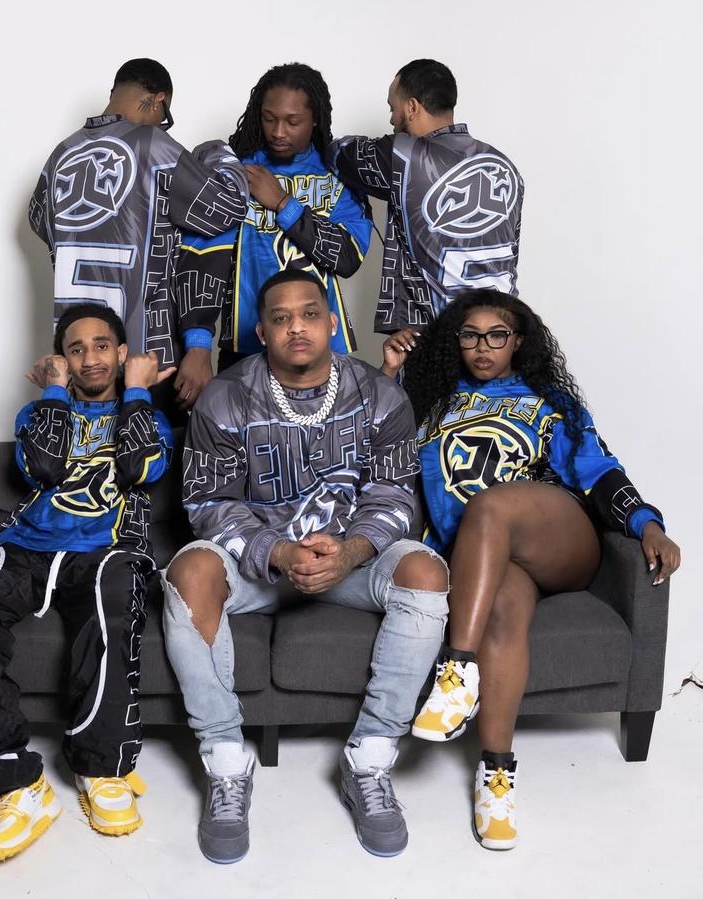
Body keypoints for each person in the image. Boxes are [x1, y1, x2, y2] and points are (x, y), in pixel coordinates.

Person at [161, 268, 448, 864]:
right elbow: (208, 503)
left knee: (425, 572)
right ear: (262, 331)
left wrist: (351, 551)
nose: (297, 328)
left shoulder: (380, 394)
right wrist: (277, 551)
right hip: (259, 566)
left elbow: (395, 495)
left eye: (310, 314)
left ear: (332, 322)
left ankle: (369, 759)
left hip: (350, 561)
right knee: (189, 573)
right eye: (281, 318)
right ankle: (225, 764)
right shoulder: (224, 397)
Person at [382, 290, 681, 850]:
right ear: (455, 342)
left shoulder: (548, 401)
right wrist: (391, 374)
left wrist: (647, 524)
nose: (483, 347)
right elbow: (372, 452)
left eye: (497, 335)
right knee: (501, 615)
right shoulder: (430, 405)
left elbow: (599, 471)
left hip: (559, 541)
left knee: (491, 504)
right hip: (483, 562)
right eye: (470, 335)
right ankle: (496, 774)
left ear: (518, 341)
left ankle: (457, 671)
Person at [0, 303, 175, 866]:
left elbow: (140, 469)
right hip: (27, 547)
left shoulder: (147, 414)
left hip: (106, 549)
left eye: (102, 346)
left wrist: (138, 391)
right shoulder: (39, 410)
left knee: (114, 603)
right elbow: (41, 467)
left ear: (122, 352)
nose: (91, 358)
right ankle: (18, 787)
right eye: (75, 349)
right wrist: (54, 392)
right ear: (60, 360)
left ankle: (100, 768)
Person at [29, 58, 249, 418]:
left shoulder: (61, 154)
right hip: (145, 359)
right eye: (165, 116)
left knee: (90, 450)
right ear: (158, 99)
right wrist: (217, 153)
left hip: (77, 360)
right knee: (152, 451)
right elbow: (227, 207)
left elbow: (37, 219)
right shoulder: (153, 145)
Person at [176, 63, 372, 371]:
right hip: (245, 347)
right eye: (269, 119)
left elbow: (347, 258)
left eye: (293, 121)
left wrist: (283, 203)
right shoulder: (236, 172)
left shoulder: (338, 174)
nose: (278, 132)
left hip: (323, 347)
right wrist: (198, 343)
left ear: (315, 119)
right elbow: (203, 255)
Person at [328, 58, 523, 336]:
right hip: (500, 336)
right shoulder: (505, 166)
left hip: (433, 339)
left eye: (393, 108)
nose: (391, 120)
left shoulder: (402, 155)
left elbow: (338, 154)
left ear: (411, 107)